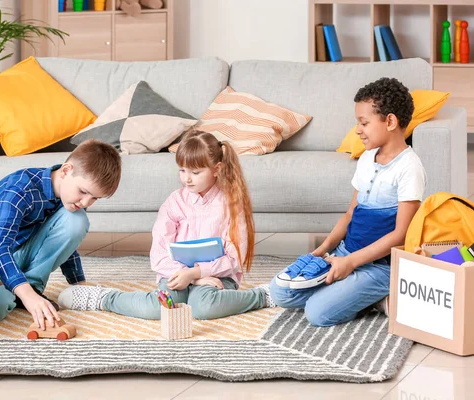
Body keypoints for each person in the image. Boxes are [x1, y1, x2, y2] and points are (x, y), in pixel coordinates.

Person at [58, 130, 273, 319]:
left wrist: (198, 273)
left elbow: (234, 258)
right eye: (182, 170)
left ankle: (263, 295)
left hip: (218, 278)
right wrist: (190, 277)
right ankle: (104, 298)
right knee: (159, 308)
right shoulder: (174, 202)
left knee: (204, 308)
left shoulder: (231, 204)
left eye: (195, 172)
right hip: (176, 275)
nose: (187, 179)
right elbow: (159, 255)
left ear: (216, 169)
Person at [270, 77, 426, 326]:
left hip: (380, 267)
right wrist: (324, 249)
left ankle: (373, 296)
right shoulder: (366, 159)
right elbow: (350, 214)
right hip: (345, 253)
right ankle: (355, 294)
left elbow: (401, 235)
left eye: (364, 122)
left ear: (390, 121)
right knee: (280, 292)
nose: (357, 129)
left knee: (317, 313)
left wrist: (351, 263)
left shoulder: (409, 167)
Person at [0, 139, 122, 329]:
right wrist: (28, 297)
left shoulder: (68, 198)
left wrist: (79, 283)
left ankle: (27, 287)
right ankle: (22, 293)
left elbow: (65, 243)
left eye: (94, 198)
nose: (85, 202)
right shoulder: (19, 190)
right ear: (66, 170)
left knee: (77, 219)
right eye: (83, 192)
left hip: (20, 257)